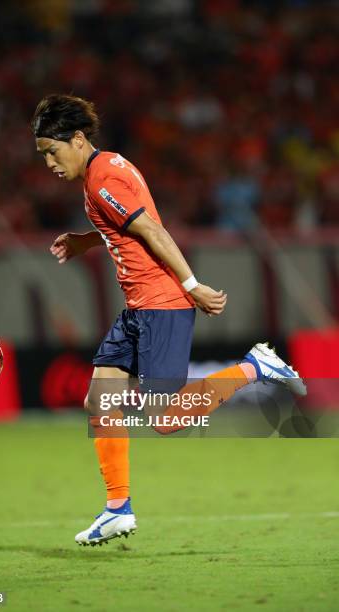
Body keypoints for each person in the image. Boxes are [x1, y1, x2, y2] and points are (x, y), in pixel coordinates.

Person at [32, 94, 306, 547]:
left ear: (77, 140)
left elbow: (153, 230)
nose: (49, 163)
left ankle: (256, 367)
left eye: (51, 151)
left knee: (166, 418)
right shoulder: (106, 167)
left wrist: (192, 283)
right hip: (139, 307)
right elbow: (128, 227)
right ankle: (118, 508)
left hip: (161, 303)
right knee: (100, 402)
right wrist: (87, 240)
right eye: (43, 154)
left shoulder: (102, 181)